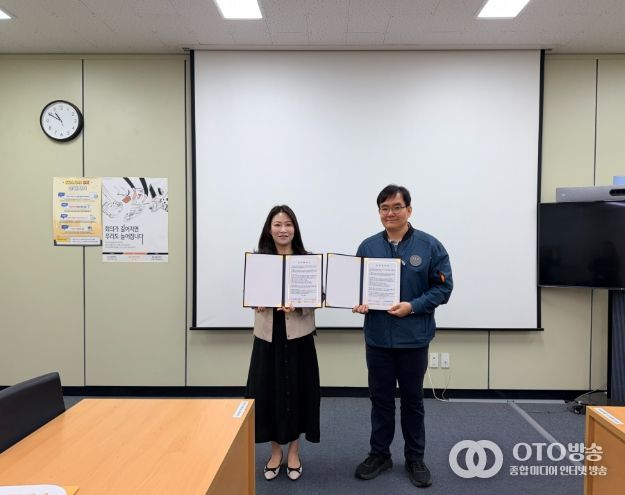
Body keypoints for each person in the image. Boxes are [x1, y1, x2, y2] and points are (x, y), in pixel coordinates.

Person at [352, 184, 453, 488]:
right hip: (378, 339)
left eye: (397, 207)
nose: (390, 213)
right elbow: (357, 287)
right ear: (379, 212)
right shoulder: (368, 247)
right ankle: (379, 454)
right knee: (380, 400)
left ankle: (415, 458)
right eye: (384, 208)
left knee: (412, 401)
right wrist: (358, 302)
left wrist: (413, 306)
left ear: (409, 210)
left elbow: (443, 288)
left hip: (414, 339)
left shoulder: (430, 246)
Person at [245, 205, 321, 482]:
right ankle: (275, 452)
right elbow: (250, 296)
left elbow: (317, 298)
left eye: (288, 224)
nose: (283, 229)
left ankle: (294, 453)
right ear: (269, 229)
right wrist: (257, 301)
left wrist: (298, 305)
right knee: (269, 394)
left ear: (295, 229)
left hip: (298, 338)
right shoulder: (259, 261)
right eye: (277, 224)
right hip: (268, 337)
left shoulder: (306, 260)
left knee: (298, 393)